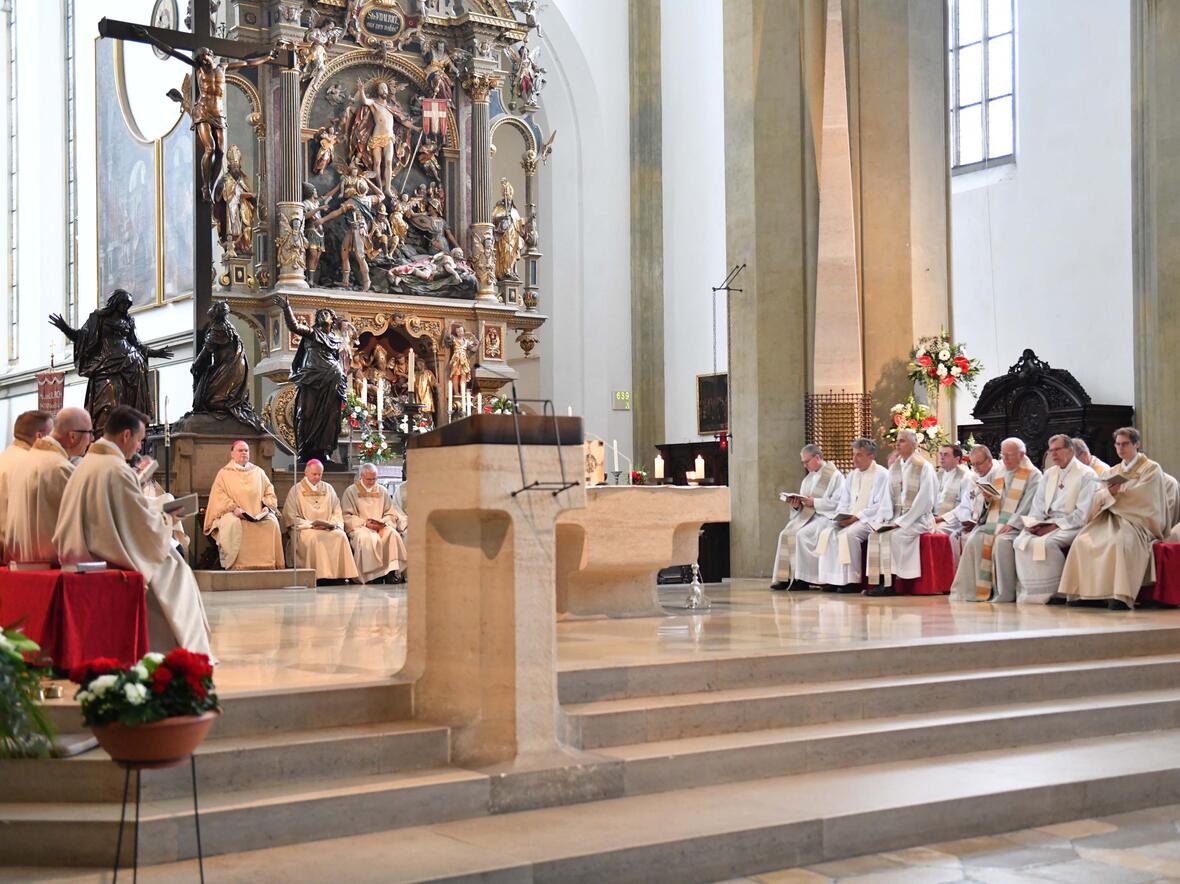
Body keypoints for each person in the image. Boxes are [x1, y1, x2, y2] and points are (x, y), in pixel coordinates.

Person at [52, 405, 212, 657]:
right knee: (176, 570)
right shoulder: (115, 469)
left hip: (84, 552)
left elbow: (123, 515)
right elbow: (143, 529)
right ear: (125, 435)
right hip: (105, 559)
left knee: (171, 562)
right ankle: (182, 651)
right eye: (139, 440)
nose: (139, 447)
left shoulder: (90, 463)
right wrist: (167, 518)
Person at [1058, 427, 1171, 610]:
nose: (1120, 448)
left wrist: (1119, 492)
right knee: (1082, 541)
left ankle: (1119, 595)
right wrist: (1109, 493)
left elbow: (1146, 497)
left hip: (1137, 520)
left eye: (1125, 444)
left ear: (1137, 444)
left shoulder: (1151, 468)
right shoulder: (1114, 470)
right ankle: (1087, 594)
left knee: (1118, 542)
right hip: (1109, 518)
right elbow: (1097, 497)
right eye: (1117, 444)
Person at [951, 438, 1041, 603]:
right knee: (975, 539)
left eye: (1009, 455)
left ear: (1021, 455)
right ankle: (974, 591)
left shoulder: (1033, 475)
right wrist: (987, 499)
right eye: (1003, 455)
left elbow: (1029, 504)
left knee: (1001, 543)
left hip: (1017, 524)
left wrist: (1013, 523)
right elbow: (989, 502)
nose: (1004, 459)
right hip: (995, 521)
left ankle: (1004, 593)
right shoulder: (1000, 472)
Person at [1012, 434, 1097, 605]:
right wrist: (1034, 523)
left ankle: (1057, 592)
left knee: (1047, 543)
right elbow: (1038, 505)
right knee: (1020, 541)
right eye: (1051, 451)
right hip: (1048, 522)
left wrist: (1053, 526)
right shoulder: (1050, 474)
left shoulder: (1087, 474)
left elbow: (1084, 513)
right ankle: (1032, 592)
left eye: (1058, 450)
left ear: (1070, 450)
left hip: (1072, 524)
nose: (1053, 454)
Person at [5, 407, 92, 564]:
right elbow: (83, 525)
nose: (91, 439)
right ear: (73, 436)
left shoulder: (27, 459)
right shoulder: (59, 468)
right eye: (89, 433)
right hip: (52, 569)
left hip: (21, 565)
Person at [804, 438, 891, 593]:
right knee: (828, 533)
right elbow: (844, 501)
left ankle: (852, 581)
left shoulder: (882, 475)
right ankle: (833, 579)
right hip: (850, 518)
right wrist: (842, 516)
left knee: (849, 535)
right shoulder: (852, 475)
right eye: (854, 454)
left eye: (859, 455)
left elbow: (879, 505)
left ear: (871, 456)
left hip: (869, 519)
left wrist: (855, 518)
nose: (854, 459)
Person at [865, 429, 937, 596]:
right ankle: (881, 581)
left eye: (902, 441)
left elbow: (926, 500)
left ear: (914, 444)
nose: (897, 444)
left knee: (894, 536)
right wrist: (884, 519)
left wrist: (901, 522)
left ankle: (892, 583)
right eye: (897, 440)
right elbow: (887, 496)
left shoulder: (924, 467)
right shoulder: (895, 467)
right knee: (875, 535)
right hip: (896, 517)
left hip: (918, 519)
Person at [770, 444, 844, 590]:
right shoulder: (808, 479)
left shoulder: (835, 476)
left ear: (817, 457)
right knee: (785, 534)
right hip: (808, 517)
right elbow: (804, 503)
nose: (805, 465)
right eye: (803, 462)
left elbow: (838, 503)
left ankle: (802, 579)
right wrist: (796, 505)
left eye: (806, 461)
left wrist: (814, 502)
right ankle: (785, 577)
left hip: (825, 518)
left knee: (801, 536)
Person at [204, 440, 284, 570]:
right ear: (232, 454)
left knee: (272, 523)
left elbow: (269, 492)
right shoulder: (224, 473)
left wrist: (266, 506)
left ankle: (269, 564)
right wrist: (234, 508)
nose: (244, 453)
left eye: (246, 450)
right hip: (233, 514)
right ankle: (237, 565)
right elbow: (219, 496)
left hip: (257, 514)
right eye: (240, 450)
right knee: (232, 524)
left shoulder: (258, 472)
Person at [282, 459, 359, 584]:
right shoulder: (296, 490)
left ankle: (339, 576)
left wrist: (333, 524)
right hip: (306, 529)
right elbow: (290, 516)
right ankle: (318, 576)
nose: (317, 477)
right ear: (306, 473)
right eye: (314, 474)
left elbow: (337, 510)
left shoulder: (328, 488)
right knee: (314, 538)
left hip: (328, 528)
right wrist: (310, 525)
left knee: (341, 536)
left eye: (320, 474)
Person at [0, 410, 53, 563]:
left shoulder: (4, 458)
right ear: (39, 437)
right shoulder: (31, 464)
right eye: (52, 434)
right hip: (16, 558)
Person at [341, 463, 407, 584]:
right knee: (367, 538)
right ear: (361, 476)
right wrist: (365, 523)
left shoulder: (382, 490)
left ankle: (391, 572)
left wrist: (383, 524)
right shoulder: (351, 491)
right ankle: (370, 575)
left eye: (374, 479)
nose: (372, 482)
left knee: (393, 535)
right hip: (361, 527)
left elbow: (391, 514)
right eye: (369, 479)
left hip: (380, 526)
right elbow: (347, 516)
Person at [932, 443, 973, 540]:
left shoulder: (966, 477)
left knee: (935, 532)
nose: (941, 458)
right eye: (940, 454)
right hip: (934, 517)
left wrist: (941, 518)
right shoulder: (938, 474)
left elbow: (965, 506)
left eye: (946, 455)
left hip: (954, 520)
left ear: (957, 459)